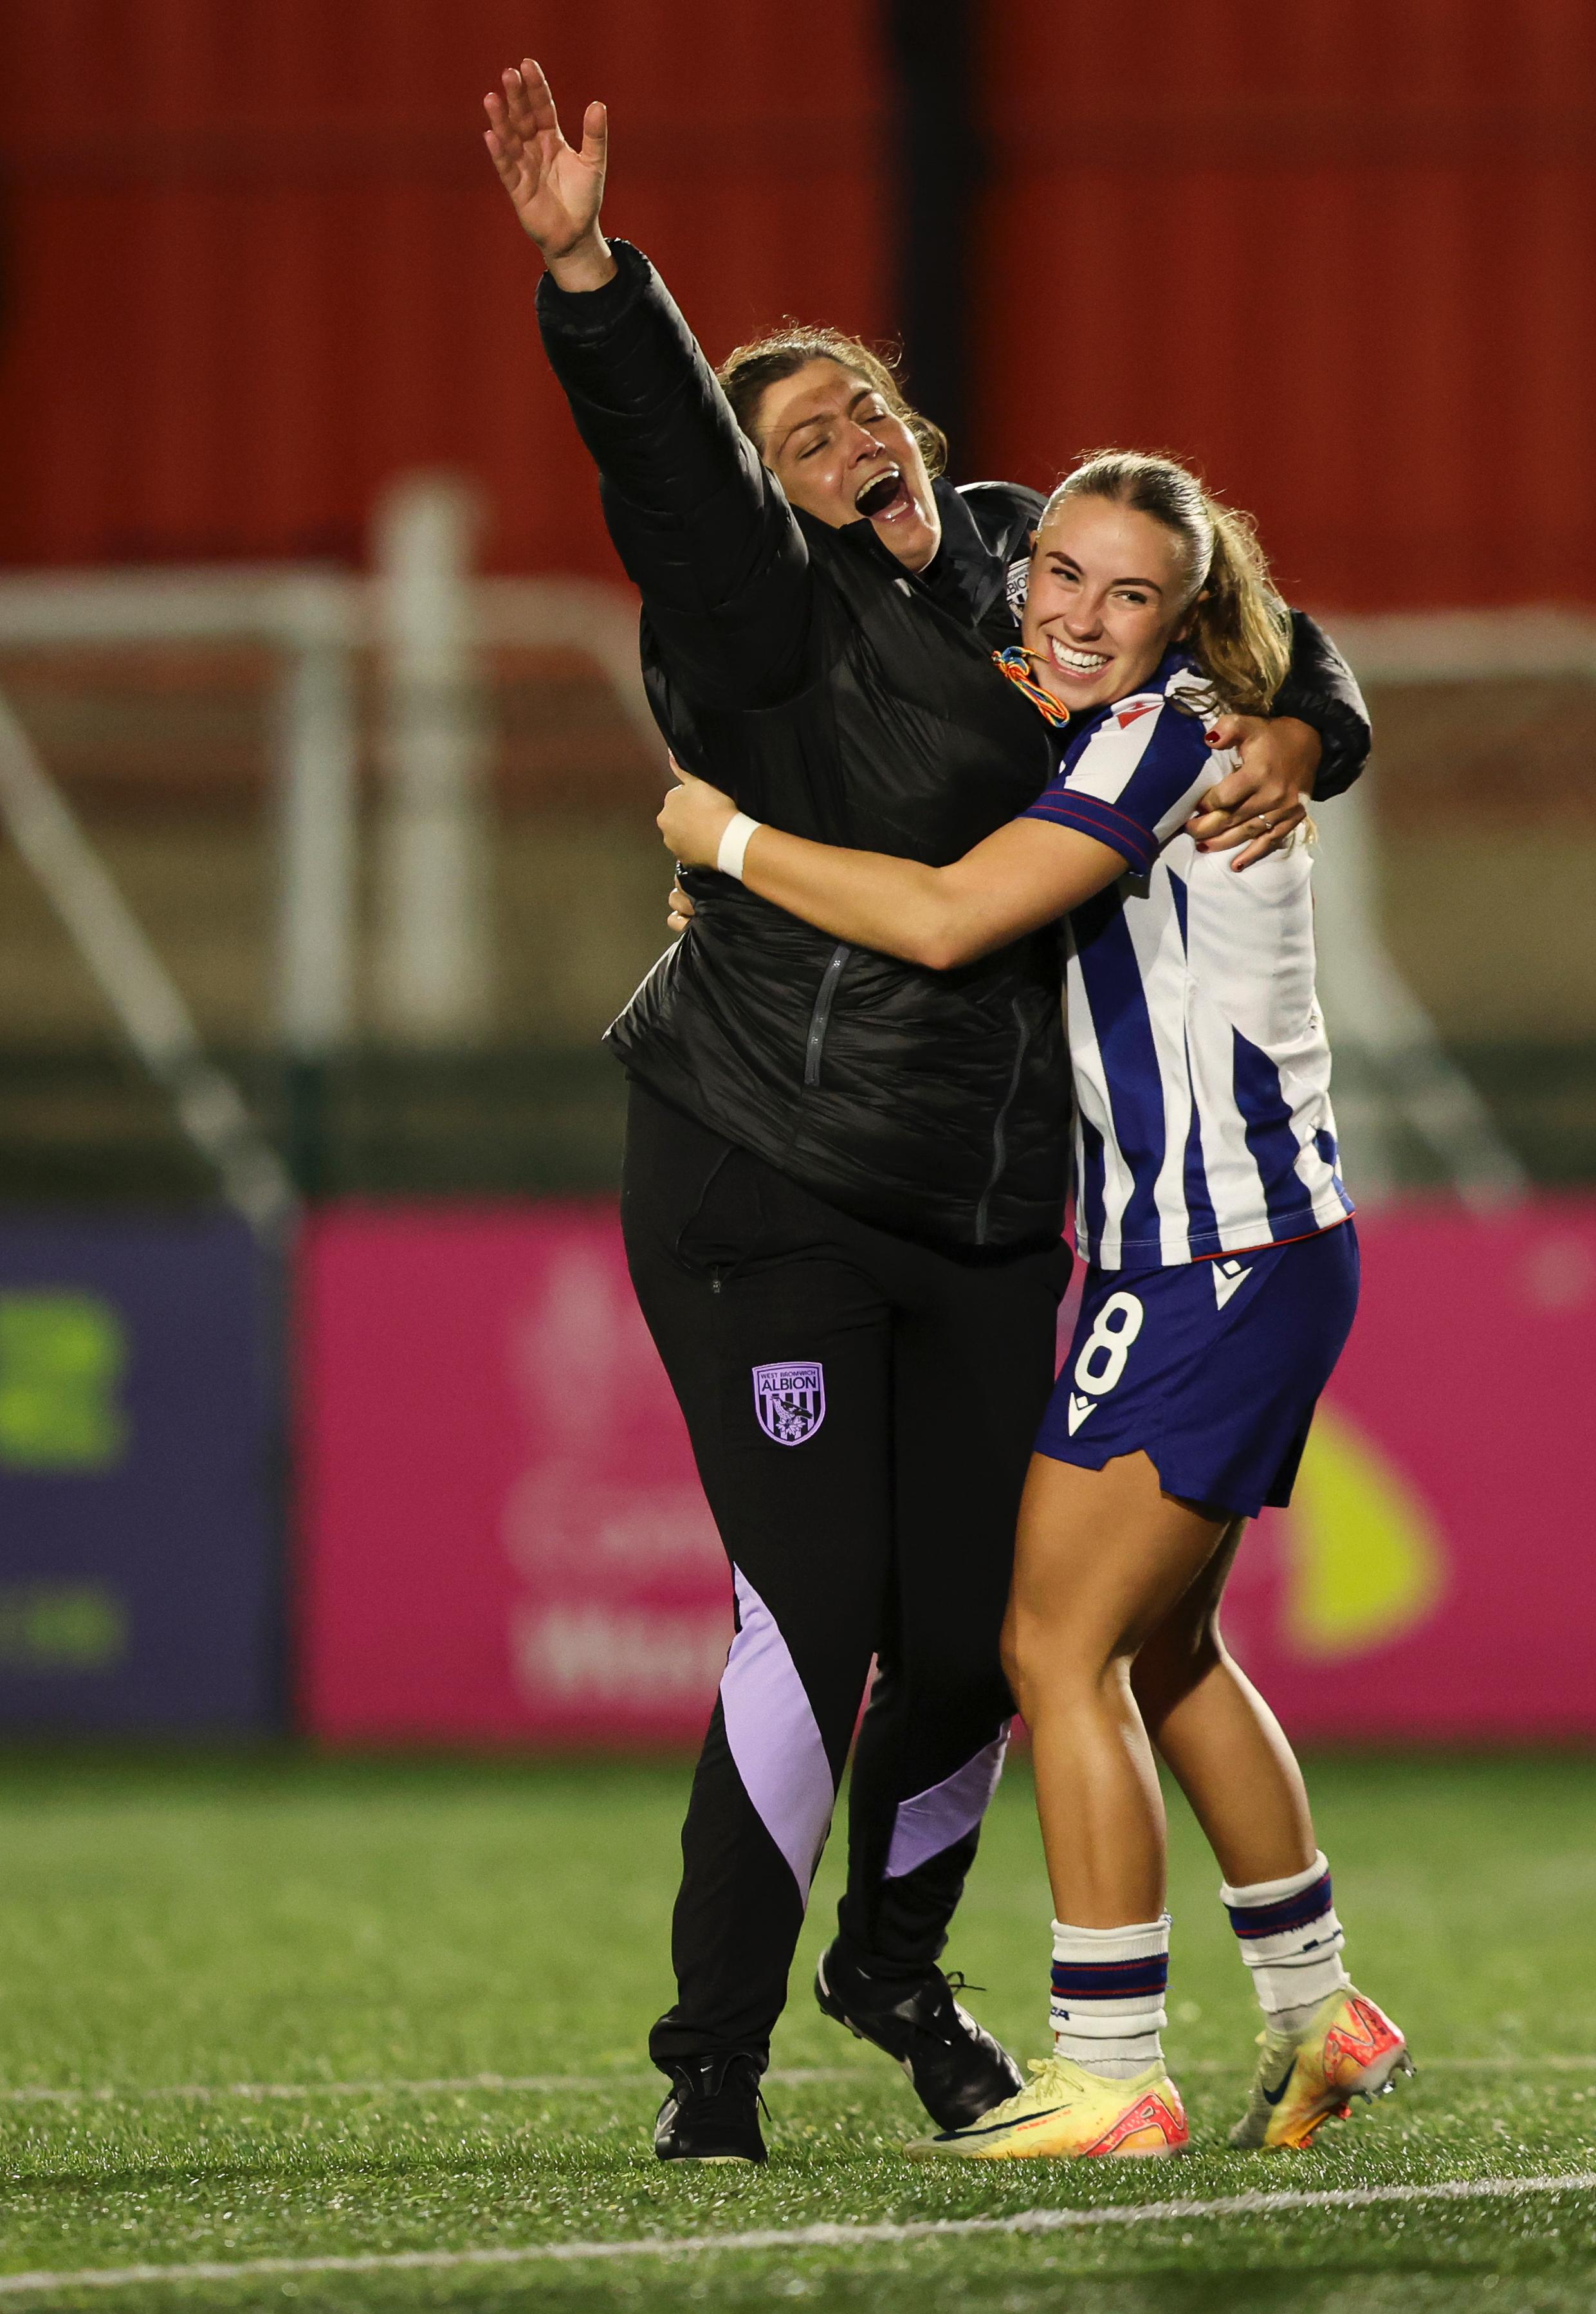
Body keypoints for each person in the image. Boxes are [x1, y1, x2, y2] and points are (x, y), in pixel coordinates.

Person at [482, 60, 1373, 2165]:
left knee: (1006, 1635)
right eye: (804, 438)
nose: (853, 442)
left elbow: (1237, 610)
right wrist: (598, 281)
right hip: (769, 1169)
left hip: (995, 1204)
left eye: (869, 407)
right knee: (826, 1609)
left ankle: (899, 1965)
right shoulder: (754, 618)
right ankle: (714, 2052)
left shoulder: (1023, 573)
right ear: (763, 489)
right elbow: (676, 474)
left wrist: (1307, 727)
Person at [659, 450, 1406, 2160]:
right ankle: (1320, 2011)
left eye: (1124, 593)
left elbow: (939, 922)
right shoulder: (1132, 714)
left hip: (1210, 1258)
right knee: (1160, 1644)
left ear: (1184, 615)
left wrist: (728, 836)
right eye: (1057, 574)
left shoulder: (1163, 742)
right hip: (1253, 1252)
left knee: (1047, 1647)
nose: (1074, 613)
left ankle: (1112, 2064)